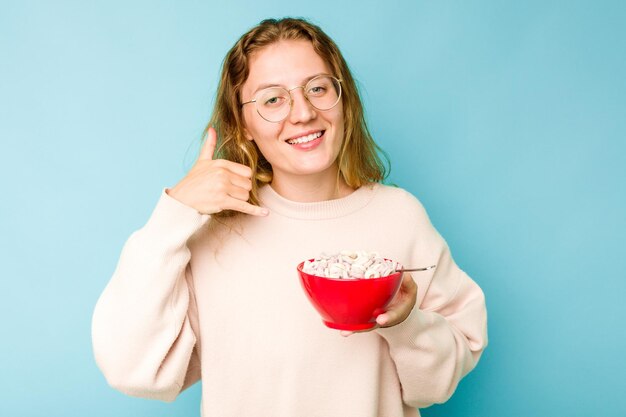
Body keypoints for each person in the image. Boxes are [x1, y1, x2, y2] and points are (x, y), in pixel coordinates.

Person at [92, 17, 488, 417]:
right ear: (243, 124)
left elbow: (437, 384)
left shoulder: (400, 216)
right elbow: (134, 370)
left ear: (343, 98)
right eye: (272, 99)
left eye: (317, 88)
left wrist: (406, 325)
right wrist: (174, 213)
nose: (302, 113)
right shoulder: (215, 234)